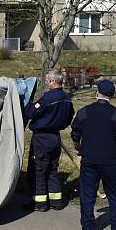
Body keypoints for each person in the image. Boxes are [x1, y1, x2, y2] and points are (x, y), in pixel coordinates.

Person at [70, 80, 116, 230]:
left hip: (88, 160)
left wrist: (78, 146)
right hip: (111, 160)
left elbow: (75, 133)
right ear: (112, 95)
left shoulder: (84, 112)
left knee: (87, 195)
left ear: (97, 94)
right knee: (115, 195)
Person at [24, 69, 74, 211]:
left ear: (53, 81)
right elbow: (69, 118)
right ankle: (56, 202)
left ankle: (39, 203)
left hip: (41, 138)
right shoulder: (67, 98)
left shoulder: (47, 98)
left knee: (38, 170)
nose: (46, 83)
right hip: (55, 137)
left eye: (47, 80)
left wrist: (27, 102)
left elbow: (31, 112)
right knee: (53, 168)